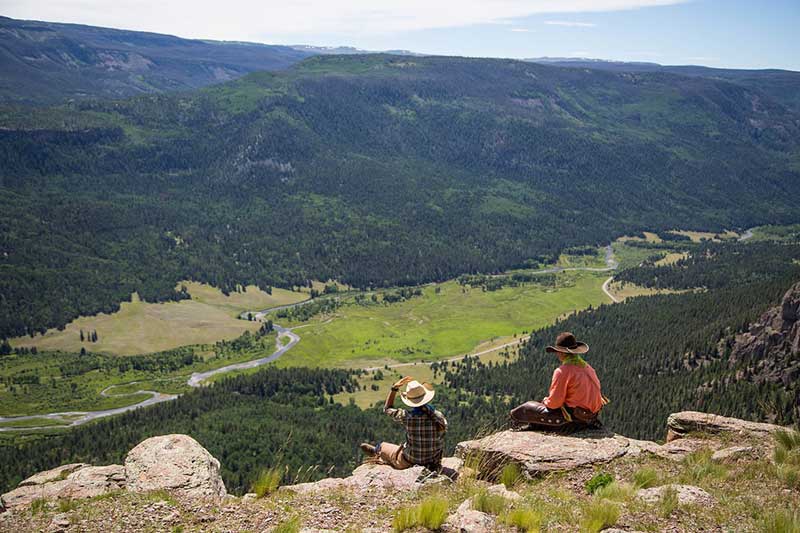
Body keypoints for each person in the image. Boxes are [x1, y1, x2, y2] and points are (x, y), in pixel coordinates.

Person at [510, 331, 606, 430]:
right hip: (590, 417)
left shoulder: (562, 371)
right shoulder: (587, 367)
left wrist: (545, 401)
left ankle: (517, 428)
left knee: (526, 409)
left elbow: (554, 403)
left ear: (561, 352)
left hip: (573, 420)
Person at [360, 376, 448, 473]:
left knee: (383, 446)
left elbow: (387, 408)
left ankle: (377, 452)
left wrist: (394, 389)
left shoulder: (407, 416)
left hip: (410, 460)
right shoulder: (438, 416)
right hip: (433, 462)